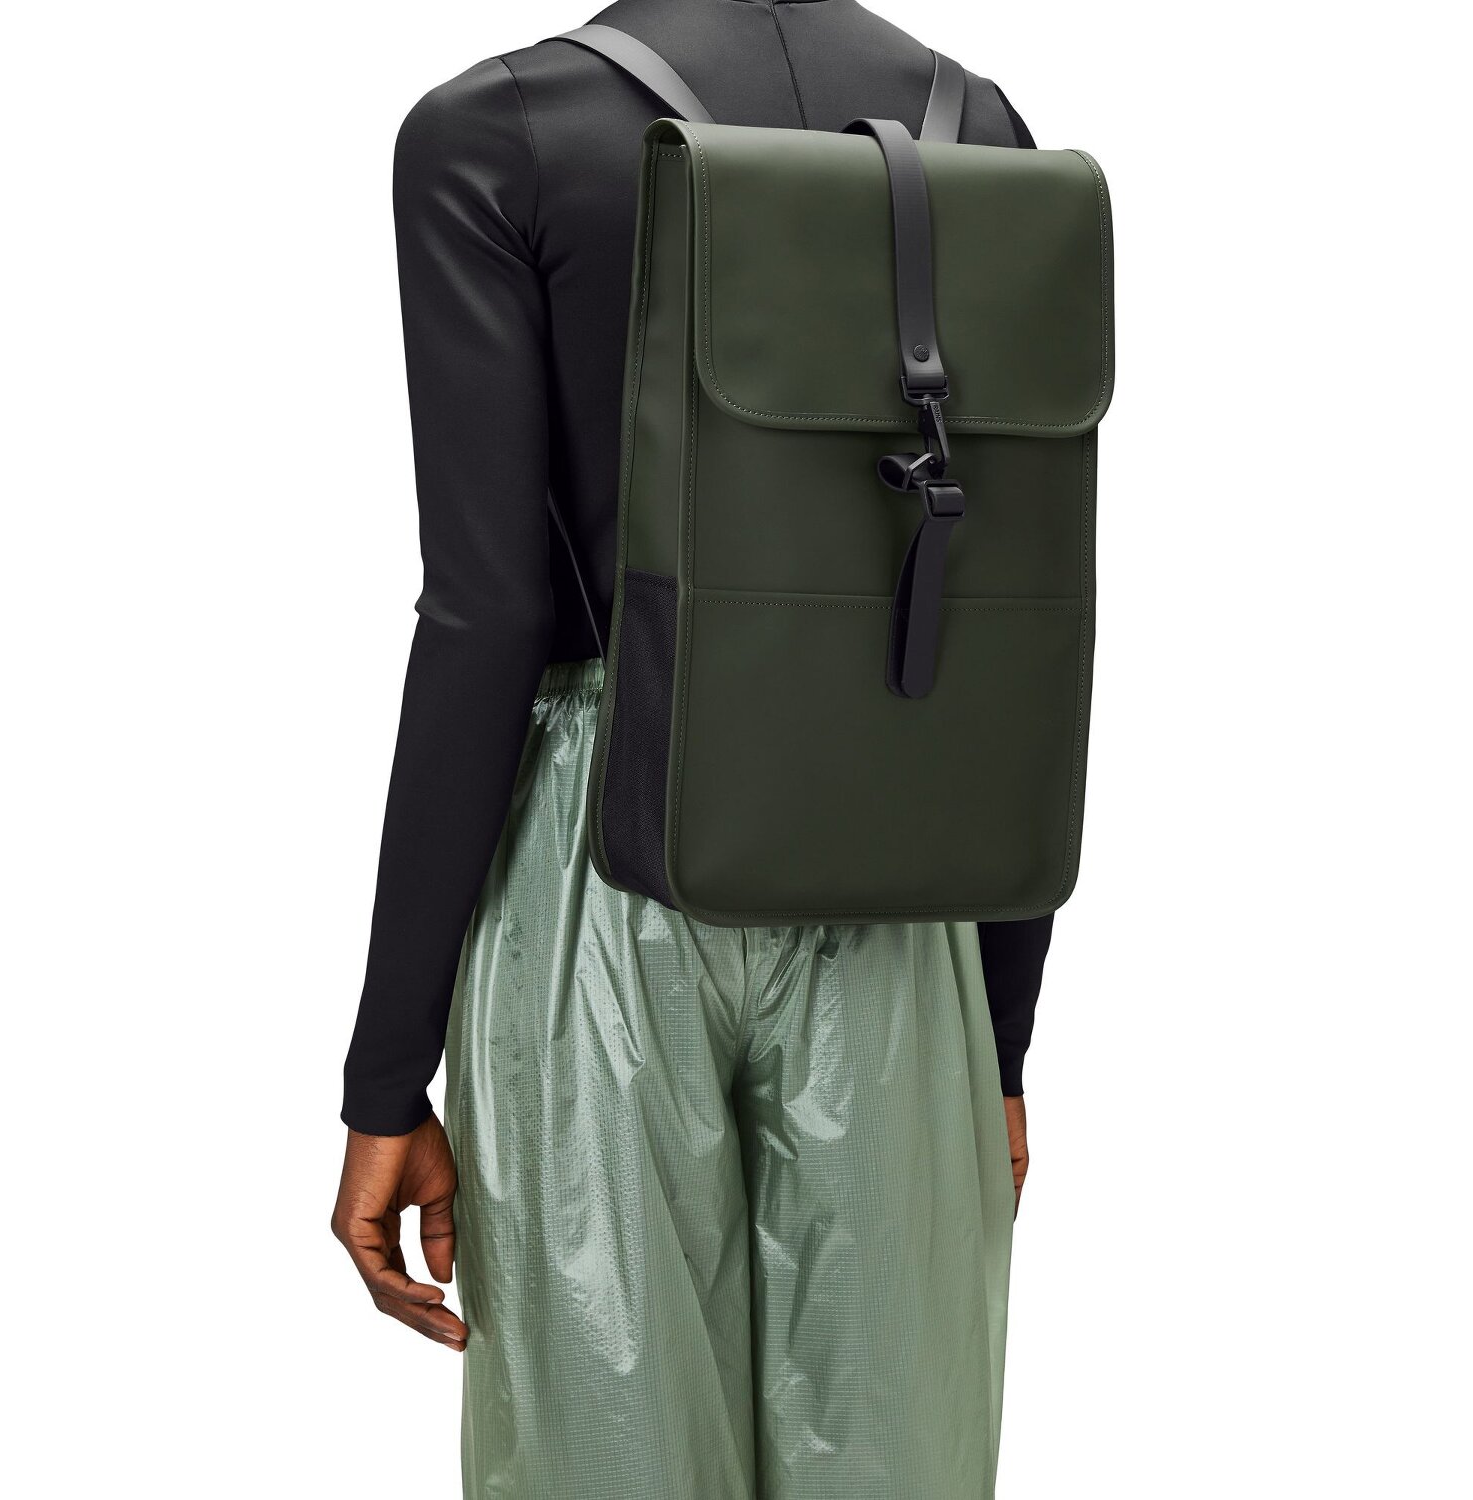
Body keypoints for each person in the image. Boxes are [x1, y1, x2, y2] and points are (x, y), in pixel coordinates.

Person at [331, 3, 1054, 1495]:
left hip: (599, 868)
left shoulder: (492, 135)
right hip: (897, 881)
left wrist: (386, 1079)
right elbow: (1008, 620)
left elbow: (485, 614)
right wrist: (1001, 1035)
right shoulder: (972, 130)